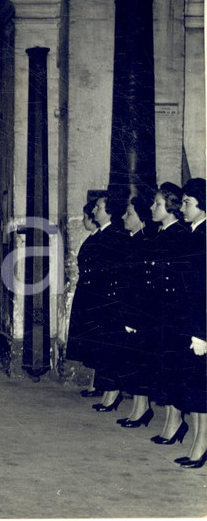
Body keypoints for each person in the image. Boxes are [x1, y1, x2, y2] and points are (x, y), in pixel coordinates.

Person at [147, 182, 190, 445]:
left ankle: (175, 423)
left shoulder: (180, 236)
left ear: (171, 207)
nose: (152, 208)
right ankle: (171, 421)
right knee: (165, 367)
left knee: (174, 368)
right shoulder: (162, 233)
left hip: (175, 315)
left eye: (158, 204)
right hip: (160, 312)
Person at [114, 194, 157, 429]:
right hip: (128, 311)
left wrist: (133, 316)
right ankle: (138, 408)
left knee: (140, 361)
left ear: (141, 218)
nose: (124, 216)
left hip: (139, 313)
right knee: (133, 361)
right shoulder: (131, 240)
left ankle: (142, 409)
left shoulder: (145, 243)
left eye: (129, 213)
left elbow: (140, 286)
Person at [173, 178, 206, 468]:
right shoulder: (194, 232)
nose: (182, 207)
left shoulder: (204, 235)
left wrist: (201, 333)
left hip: (200, 327)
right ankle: (198, 443)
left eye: (187, 202)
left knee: (201, 389)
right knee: (195, 388)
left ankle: (201, 446)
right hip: (190, 323)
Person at [85, 194, 127, 412]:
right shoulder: (102, 234)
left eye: (98, 208)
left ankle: (113, 393)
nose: (94, 212)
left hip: (108, 300)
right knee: (102, 347)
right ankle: (107, 390)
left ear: (109, 211)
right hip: (97, 299)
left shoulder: (115, 235)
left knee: (110, 348)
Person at [65, 201, 102, 397]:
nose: (84, 221)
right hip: (86, 291)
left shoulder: (97, 240)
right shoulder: (92, 238)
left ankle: (97, 384)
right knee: (89, 338)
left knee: (94, 339)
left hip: (91, 293)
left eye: (86, 217)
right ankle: (95, 383)